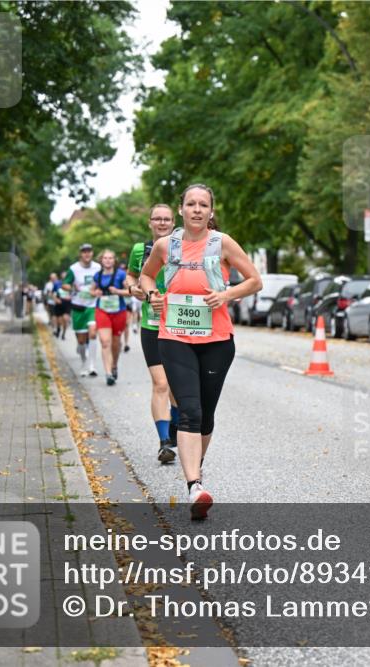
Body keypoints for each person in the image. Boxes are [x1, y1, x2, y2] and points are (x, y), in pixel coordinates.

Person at [139, 184, 261, 519]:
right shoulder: (166, 245)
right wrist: (152, 295)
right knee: (189, 410)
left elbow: (254, 280)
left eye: (203, 205)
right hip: (174, 337)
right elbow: (146, 277)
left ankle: (197, 470)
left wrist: (226, 295)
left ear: (210, 211)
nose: (196, 209)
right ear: (181, 209)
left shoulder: (223, 243)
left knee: (205, 414)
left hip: (217, 341)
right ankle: (194, 486)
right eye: (190, 204)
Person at [127, 203, 181, 464]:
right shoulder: (140, 250)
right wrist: (132, 288)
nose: (161, 223)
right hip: (151, 325)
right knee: (161, 384)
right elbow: (130, 276)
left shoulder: (183, 247)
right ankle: (164, 443)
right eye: (157, 219)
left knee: (177, 390)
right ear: (149, 222)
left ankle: (174, 429)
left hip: (180, 327)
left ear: (173, 222)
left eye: (166, 219)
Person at [61, 243, 102, 377]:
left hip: (93, 305)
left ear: (92, 253)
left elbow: (103, 282)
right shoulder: (74, 269)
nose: (87, 254)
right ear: (80, 254)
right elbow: (65, 285)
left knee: (93, 333)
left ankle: (92, 366)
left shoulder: (98, 267)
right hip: (78, 306)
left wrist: (99, 290)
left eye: (89, 251)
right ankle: (84, 362)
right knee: (81, 341)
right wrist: (73, 288)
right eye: (84, 252)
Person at [91, 250, 127, 386]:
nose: (107, 260)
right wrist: (96, 292)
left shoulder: (121, 274)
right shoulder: (97, 276)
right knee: (105, 342)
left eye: (110, 258)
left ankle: (114, 365)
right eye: (105, 258)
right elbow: (91, 291)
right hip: (102, 310)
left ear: (114, 260)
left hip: (119, 311)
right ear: (101, 260)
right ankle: (108, 374)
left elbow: (130, 291)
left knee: (116, 343)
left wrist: (118, 291)